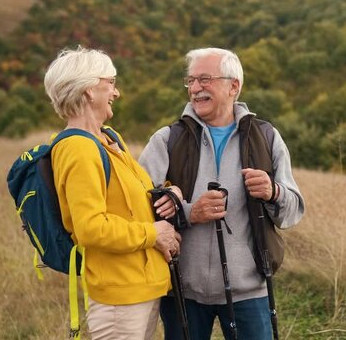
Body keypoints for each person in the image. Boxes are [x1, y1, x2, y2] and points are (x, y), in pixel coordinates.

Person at [139, 47, 305, 340]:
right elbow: (136, 209)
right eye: (190, 81)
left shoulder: (266, 137)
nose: (195, 88)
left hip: (250, 291)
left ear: (234, 86)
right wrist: (190, 212)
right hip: (181, 289)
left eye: (205, 79)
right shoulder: (166, 139)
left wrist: (273, 191)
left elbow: (292, 213)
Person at [43, 45, 182, 340]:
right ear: (89, 90)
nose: (116, 93)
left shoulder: (109, 138)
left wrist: (172, 194)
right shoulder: (78, 149)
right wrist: (154, 234)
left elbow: (138, 196)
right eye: (111, 83)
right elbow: (90, 228)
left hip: (141, 288)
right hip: (120, 297)